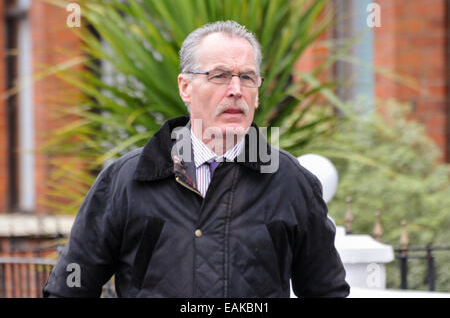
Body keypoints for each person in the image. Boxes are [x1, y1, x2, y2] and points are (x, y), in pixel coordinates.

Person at [43, 20, 349, 298]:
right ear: (185, 87)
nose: (236, 90)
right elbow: (68, 289)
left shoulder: (290, 182)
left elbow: (327, 291)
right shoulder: (127, 180)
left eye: (247, 77)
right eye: (220, 76)